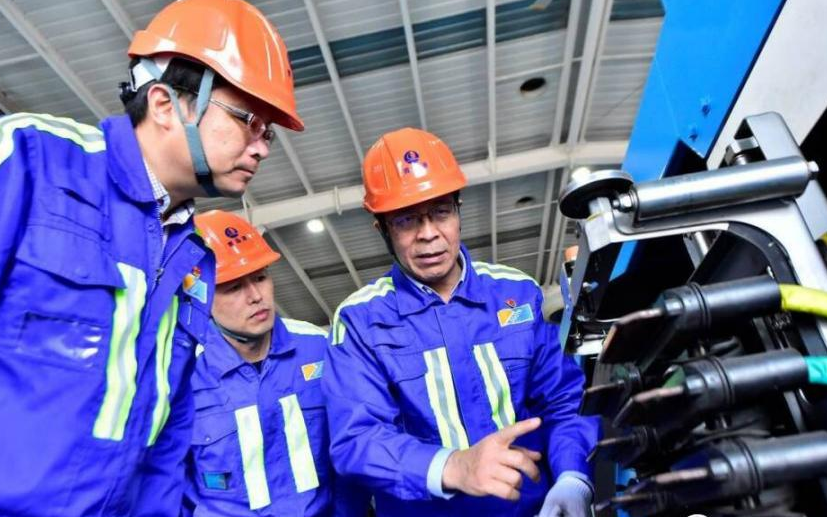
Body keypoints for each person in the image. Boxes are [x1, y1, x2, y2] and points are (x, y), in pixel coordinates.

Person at [0, 0, 302, 514]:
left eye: (267, 131)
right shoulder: (33, 160)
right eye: (249, 120)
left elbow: (166, 438)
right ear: (164, 104)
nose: (262, 148)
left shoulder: (193, 257)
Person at [322, 128, 599, 516]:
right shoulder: (360, 321)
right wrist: (455, 466)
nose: (429, 234)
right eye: (406, 220)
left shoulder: (516, 293)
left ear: (458, 209)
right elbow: (358, 439)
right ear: (381, 229)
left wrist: (573, 475)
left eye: (441, 212)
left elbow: (561, 402)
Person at [185, 211, 367, 517]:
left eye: (260, 277)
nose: (256, 296)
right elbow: (171, 483)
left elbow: (351, 447)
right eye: (233, 287)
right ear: (200, 298)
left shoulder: (318, 347)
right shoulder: (182, 376)